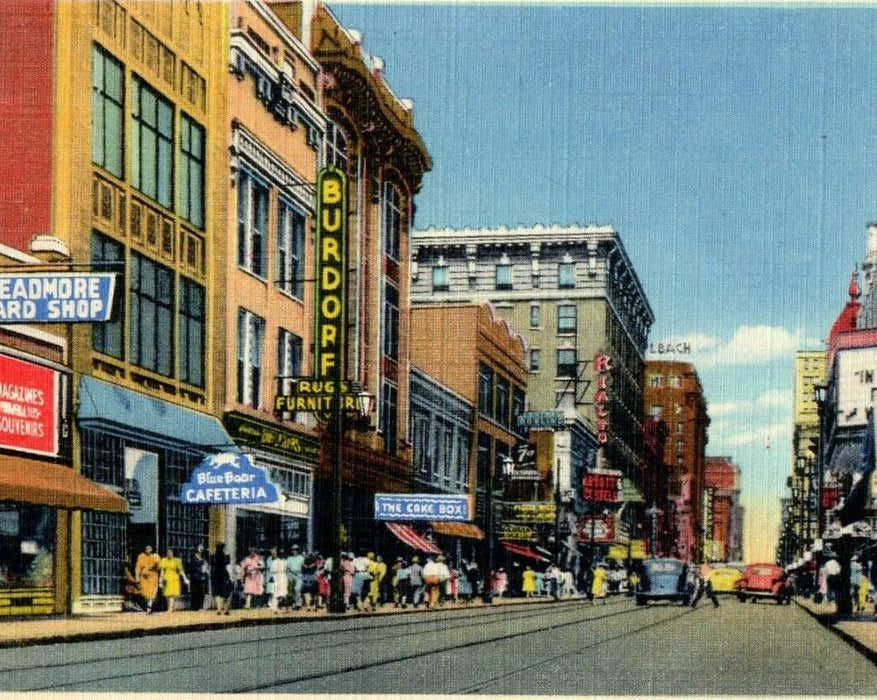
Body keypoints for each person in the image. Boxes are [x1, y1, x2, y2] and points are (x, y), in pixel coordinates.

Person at [158, 548, 189, 614]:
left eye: (170, 552)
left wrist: (185, 578)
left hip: (174, 578)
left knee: (172, 595)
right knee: (167, 594)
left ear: (173, 553)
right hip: (166, 578)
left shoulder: (177, 561)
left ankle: (170, 608)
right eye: (168, 552)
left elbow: (181, 570)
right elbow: (162, 571)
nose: (169, 554)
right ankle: (171, 607)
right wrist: (160, 580)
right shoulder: (164, 560)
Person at [134, 544, 161, 614]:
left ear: (152, 549)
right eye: (147, 548)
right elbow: (138, 567)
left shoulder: (154, 557)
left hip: (152, 577)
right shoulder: (141, 556)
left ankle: (149, 608)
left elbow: (159, 568)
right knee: (145, 593)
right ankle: (148, 606)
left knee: (151, 593)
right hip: (144, 578)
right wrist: (137, 577)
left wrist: (157, 564)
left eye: (149, 548)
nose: (148, 550)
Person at [210, 543, 232, 615]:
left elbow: (210, 565)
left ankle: (219, 609)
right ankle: (226, 609)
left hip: (215, 576)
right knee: (226, 593)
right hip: (224, 575)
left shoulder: (213, 556)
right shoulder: (225, 557)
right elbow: (228, 566)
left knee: (217, 593)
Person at [266, 547, 288, 613]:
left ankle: (280, 606)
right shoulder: (269, 559)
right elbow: (269, 569)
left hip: (281, 577)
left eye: (274, 551)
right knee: (272, 592)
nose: (273, 552)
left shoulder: (282, 560)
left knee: (281, 592)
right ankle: (273, 606)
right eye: (272, 550)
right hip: (273, 576)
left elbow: (285, 568)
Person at [189, 544, 210, 611]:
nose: (201, 549)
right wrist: (201, 570)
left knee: (202, 592)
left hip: (202, 577)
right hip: (195, 577)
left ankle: (200, 606)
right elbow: (192, 568)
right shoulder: (193, 558)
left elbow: (206, 566)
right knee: (195, 592)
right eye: (200, 547)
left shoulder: (203, 558)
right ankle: (195, 606)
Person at [286, 544, 304, 610]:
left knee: (297, 589)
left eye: (296, 549)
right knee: (292, 590)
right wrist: (288, 575)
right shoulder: (289, 558)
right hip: (291, 574)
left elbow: (304, 566)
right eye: (293, 549)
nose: (294, 551)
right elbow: (287, 568)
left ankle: (298, 604)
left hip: (299, 575)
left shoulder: (301, 558)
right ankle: (295, 603)